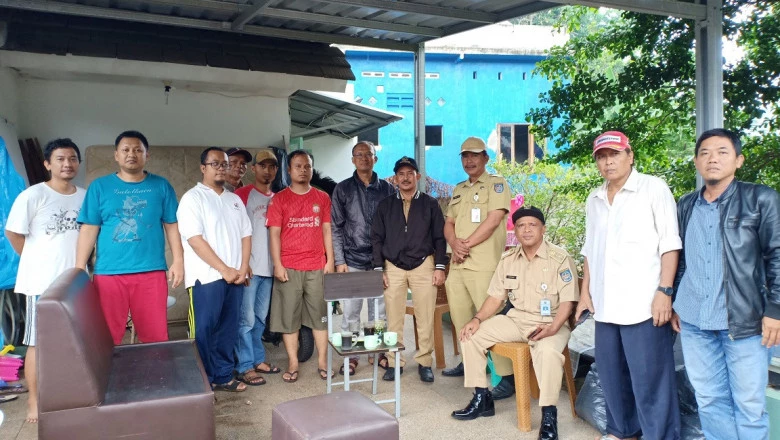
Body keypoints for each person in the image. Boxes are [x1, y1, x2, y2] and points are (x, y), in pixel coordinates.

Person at [671, 128, 780, 439]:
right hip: (694, 322)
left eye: (722, 152)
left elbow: (777, 255)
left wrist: (775, 309)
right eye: (705, 153)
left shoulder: (761, 199)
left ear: (738, 160)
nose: (712, 158)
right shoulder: (687, 204)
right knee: (708, 400)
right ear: (696, 161)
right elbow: (681, 260)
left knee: (749, 404)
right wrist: (677, 300)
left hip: (746, 323)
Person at [575, 131, 682, 440]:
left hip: (645, 305)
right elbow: (590, 249)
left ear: (630, 155)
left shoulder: (653, 188)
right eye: (601, 157)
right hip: (606, 305)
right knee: (612, 377)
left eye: (614, 154)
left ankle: (660, 436)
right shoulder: (594, 198)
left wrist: (665, 291)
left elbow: (670, 244)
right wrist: (585, 293)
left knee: (651, 380)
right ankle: (623, 431)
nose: (608, 162)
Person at [451, 206, 578, 440]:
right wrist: (477, 319)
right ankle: (482, 398)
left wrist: (553, 328)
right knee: (470, 335)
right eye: (521, 225)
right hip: (517, 320)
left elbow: (568, 302)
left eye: (532, 225)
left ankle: (549, 415)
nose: (526, 230)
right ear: (516, 231)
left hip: (551, 323)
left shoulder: (560, 258)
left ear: (543, 229)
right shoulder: (509, 259)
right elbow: (496, 297)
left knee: (548, 353)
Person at [76, 130, 183, 345]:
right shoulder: (100, 187)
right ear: (116, 155)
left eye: (138, 150)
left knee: (154, 335)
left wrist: (178, 261)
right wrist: (80, 268)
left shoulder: (161, 186)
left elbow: (172, 225)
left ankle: (154, 376)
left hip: (151, 271)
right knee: (107, 335)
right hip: (109, 273)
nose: (131, 154)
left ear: (147, 155)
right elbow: (89, 229)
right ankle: (108, 377)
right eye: (125, 150)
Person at [5, 138, 86, 424]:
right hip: (41, 285)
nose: (67, 164)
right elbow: (14, 233)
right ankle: (34, 400)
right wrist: (35, 259)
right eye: (61, 159)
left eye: (72, 158)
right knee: (38, 344)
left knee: (76, 341)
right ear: (47, 164)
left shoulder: (85, 196)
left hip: (76, 284)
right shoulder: (33, 195)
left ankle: (72, 392)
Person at [442, 137, 515, 400]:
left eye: (474, 155)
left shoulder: (496, 184)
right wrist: (453, 243)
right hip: (458, 266)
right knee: (461, 319)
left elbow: (495, 219)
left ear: (485, 158)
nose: (469, 161)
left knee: (488, 321)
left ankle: (507, 377)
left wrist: (466, 245)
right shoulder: (459, 189)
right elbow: (448, 222)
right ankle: (470, 363)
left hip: (483, 265)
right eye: (464, 156)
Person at [177, 147, 252, 392]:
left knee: (228, 329)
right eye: (215, 163)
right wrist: (224, 269)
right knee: (203, 331)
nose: (222, 167)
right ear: (203, 168)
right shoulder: (192, 198)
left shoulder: (234, 200)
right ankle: (203, 381)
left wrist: (242, 268)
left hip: (235, 278)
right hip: (206, 278)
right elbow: (195, 239)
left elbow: (246, 235)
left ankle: (222, 376)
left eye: (225, 164)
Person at [371, 156, 448, 382]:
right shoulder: (385, 205)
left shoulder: (430, 203)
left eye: (410, 173)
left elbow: (440, 238)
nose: (405, 178)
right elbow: (376, 238)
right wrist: (379, 268)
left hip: (424, 265)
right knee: (394, 318)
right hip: (393, 267)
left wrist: (439, 266)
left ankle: (425, 362)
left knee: (425, 316)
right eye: (401, 174)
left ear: (418, 177)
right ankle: (395, 362)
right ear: (395, 178)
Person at [266, 150, 335, 383]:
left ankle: (323, 361)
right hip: (288, 267)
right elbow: (274, 234)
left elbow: (327, 230)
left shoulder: (322, 198)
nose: (303, 170)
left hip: (316, 266)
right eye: (298, 166)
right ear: (289, 170)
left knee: (320, 317)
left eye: (307, 166)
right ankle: (293, 363)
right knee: (289, 319)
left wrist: (330, 261)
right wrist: (277, 264)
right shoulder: (279, 199)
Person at [331, 140, 394, 375]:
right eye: (359, 154)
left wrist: (389, 262)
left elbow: (393, 227)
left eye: (368, 154)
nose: (364, 158)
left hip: (379, 261)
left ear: (375, 158)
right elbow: (336, 227)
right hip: (353, 259)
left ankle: (376, 352)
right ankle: (352, 356)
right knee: (350, 313)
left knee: (379, 313)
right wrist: (339, 260)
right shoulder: (343, 189)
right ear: (352, 159)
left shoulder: (388, 190)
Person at [233, 149, 281, 385]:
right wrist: (242, 264)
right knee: (246, 321)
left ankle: (257, 359)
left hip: (270, 270)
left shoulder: (278, 198)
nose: (268, 170)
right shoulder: (242, 195)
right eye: (263, 166)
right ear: (254, 169)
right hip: (249, 269)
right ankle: (244, 365)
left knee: (260, 320)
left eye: (272, 166)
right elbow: (234, 233)